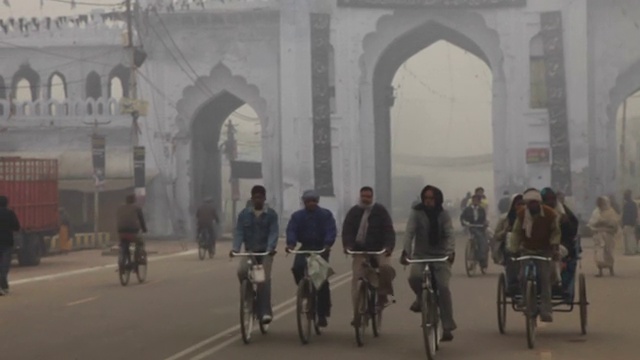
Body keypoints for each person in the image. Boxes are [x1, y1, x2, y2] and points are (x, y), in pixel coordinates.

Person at [401, 185, 456, 341]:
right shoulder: (416, 213)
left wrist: (450, 252)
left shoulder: (444, 215)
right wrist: (406, 252)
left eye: (431, 198)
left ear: (437, 199)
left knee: (443, 288)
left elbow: (450, 234)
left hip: (440, 256)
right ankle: (420, 298)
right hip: (420, 255)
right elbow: (409, 233)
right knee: (414, 277)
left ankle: (447, 327)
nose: (428, 201)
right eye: (426, 198)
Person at [342, 186, 396, 321]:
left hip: (379, 250)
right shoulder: (353, 212)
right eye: (363, 196)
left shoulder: (380, 211)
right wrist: (347, 245)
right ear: (360, 197)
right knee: (356, 279)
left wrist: (388, 247)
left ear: (372, 197)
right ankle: (357, 313)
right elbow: (347, 231)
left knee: (386, 268)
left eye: (368, 197)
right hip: (360, 250)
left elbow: (389, 231)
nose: (365, 199)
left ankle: (382, 297)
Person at [286, 190, 337, 328]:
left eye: (314, 200)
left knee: (321, 281)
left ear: (317, 201)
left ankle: (322, 314)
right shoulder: (297, 216)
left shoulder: (325, 215)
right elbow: (292, 230)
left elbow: (331, 230)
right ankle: (304, 290)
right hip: (305, 247)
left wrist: (327, 244)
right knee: (297, 267)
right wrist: (290, 243)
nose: (311, 203)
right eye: (308, 201)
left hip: (321, 248)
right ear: (304, 202)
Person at [509, 188, 560, 323]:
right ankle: (526, 300)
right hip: (527, 250)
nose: (532, 206)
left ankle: (546, 310)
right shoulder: (521, 215)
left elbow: (555, 232)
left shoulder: (550, 214)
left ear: (539, 203)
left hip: (544, 250)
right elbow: (516, 233)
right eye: (529, 203)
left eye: (534, 203)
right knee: (522, 276)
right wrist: (513, 249)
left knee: (545, 279)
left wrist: (554, 247)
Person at [231, 185, 279, 324]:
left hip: (265, 252)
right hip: (250, 251)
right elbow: (239, 232)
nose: (258, 200)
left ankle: (264, 311)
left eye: (260, 197)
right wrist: (235, 248)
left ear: (264, 198)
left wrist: (270, 248)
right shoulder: (244, 214)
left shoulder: (271, 214)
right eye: (255, 197)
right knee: (241, 271)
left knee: (263, 280)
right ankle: (249, 297)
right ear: (252, 198)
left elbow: (273, 232)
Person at [492, 194, 524, 293]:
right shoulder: (504, 219)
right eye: (518, 204)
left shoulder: (531, 217)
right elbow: (496, 236)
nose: (521, 206)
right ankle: (513, 283)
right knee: (511, 258)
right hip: (509, 247)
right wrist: (505, 231)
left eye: (523, 204)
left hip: (526, 247)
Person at [588, 196, 620, 277]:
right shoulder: (596, 212)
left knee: (609, 252)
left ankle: (611, 269)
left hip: (608, 235)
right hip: (598, 235)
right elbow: (591, 223)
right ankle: (600, 271)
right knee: (599, 253)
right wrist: (596, 225)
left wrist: (606, 223)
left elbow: (615, 224)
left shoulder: (611, 212)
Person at [116, 194, 148, 272]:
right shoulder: (137, 208)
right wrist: (144, 229)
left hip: (121, 232)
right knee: (139, 243)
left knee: (124, 244)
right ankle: (137, 260)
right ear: (134, 200)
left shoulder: (120, 208)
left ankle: (123, 261)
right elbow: (141, 220)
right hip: (132, 232)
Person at [460, 194, 489, 271]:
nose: (475, 202)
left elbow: (484, 219)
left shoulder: (482, 210)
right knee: (476, 240)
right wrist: (465, 223)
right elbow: (462, 218)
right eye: (474, 200)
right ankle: (473, 259)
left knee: (485, 243)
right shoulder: (467, 210)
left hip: (480, 228)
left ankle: (483, 261)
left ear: (479, 201)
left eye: (477, 200)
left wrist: (485, 224)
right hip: (471, 228)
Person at [0, 196, 20, 295]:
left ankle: (3, 287)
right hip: (7, 242)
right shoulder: (10, 213)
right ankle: (4, 286)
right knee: (4, 266)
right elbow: (16, 227)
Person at [621, 190, 638, 255]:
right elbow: (635, 214)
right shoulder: (633, 204)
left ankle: (629, 250)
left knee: (628, 238)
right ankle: (630, 250)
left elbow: (625, 215)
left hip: (628, 223)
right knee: (630, 237)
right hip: (630, 223)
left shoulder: (627, 205)